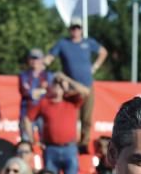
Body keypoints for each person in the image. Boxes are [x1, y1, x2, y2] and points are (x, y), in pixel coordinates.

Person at [45, 19, 107, 152]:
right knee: (71, 116)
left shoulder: (88, 42)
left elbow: (103, 52)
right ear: (69, 29)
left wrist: (95, 67)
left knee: (87, 117)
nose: (75, 30)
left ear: (82, 29)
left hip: (87, 85)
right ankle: (71, 141)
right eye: (73, 28)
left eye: (78, 28)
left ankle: (84, 143)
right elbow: (50, 57)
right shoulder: (63, 43)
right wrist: (41, 65)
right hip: (71, 88)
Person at [28, 72, 89, 174]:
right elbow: (27, 119)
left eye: (61, 84)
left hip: (69, 148)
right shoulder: (44, 102)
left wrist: (67, 79)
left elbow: (86, 91)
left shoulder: (72, 101)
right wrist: (33, 140)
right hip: (51, 149)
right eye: (55, 83)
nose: (58, 87)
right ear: (51, 86)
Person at [18, 48, 54, 142]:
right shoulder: (23, 75)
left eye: (37, 58)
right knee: (26, 141)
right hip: (27, 113)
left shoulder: (48, 75)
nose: (34, 61)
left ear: (42, 60)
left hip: (43, 113)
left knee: (46, 140)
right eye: (32, 58)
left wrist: (39, 91)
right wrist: (42, 90)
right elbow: (27, 93)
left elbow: (51, 92)